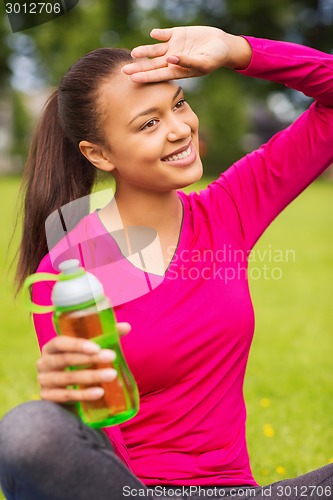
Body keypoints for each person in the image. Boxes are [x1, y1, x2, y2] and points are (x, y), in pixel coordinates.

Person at [0, 25, 332, 500]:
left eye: (178, 103)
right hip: (130, 492)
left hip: (237, 492)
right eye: (148, 123)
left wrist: (238, 50)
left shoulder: (230, 210)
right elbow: (95, 436)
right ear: (100, 154)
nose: (179, 128)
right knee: (30, 429)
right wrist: (67, 402)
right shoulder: (70, 269)